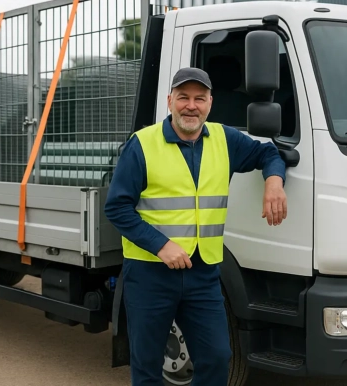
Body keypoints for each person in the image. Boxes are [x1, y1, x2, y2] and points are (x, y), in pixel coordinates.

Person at [104, 67, 288, 386]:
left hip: (203, 274)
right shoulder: (143, 145)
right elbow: (117, 207)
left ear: (210, 103)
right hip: (150, 274)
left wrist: (274, 181)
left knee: (217, 358)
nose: (191, 105)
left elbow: (267, 152)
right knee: (147, 365)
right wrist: (161, 245)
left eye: (199, 98)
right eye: (183, 97)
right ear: (170, 101)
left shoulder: (224, 139)